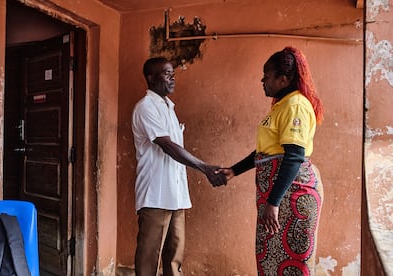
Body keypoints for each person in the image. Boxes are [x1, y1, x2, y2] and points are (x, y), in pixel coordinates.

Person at [219, 46, 324, 275]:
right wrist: (234, 170)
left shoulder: (295, 106)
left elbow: (294, 156)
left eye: (267, 76)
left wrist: (273, 203)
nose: (262, 80)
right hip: (279, 198)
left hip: (292, 197)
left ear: (283, 79)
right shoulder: (282, 105)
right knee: (273, 260)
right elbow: (265, 151)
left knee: (292, 263)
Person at [132, 57, 227, 276]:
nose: (172, 77)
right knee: (148, 260)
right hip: (155, 195)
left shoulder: (169, 108)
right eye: (167, 74)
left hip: (176, 195)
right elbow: (167, 146)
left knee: (174, 259)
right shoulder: (146, 107)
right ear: (150, 78)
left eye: (173, 73)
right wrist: (204, 167)